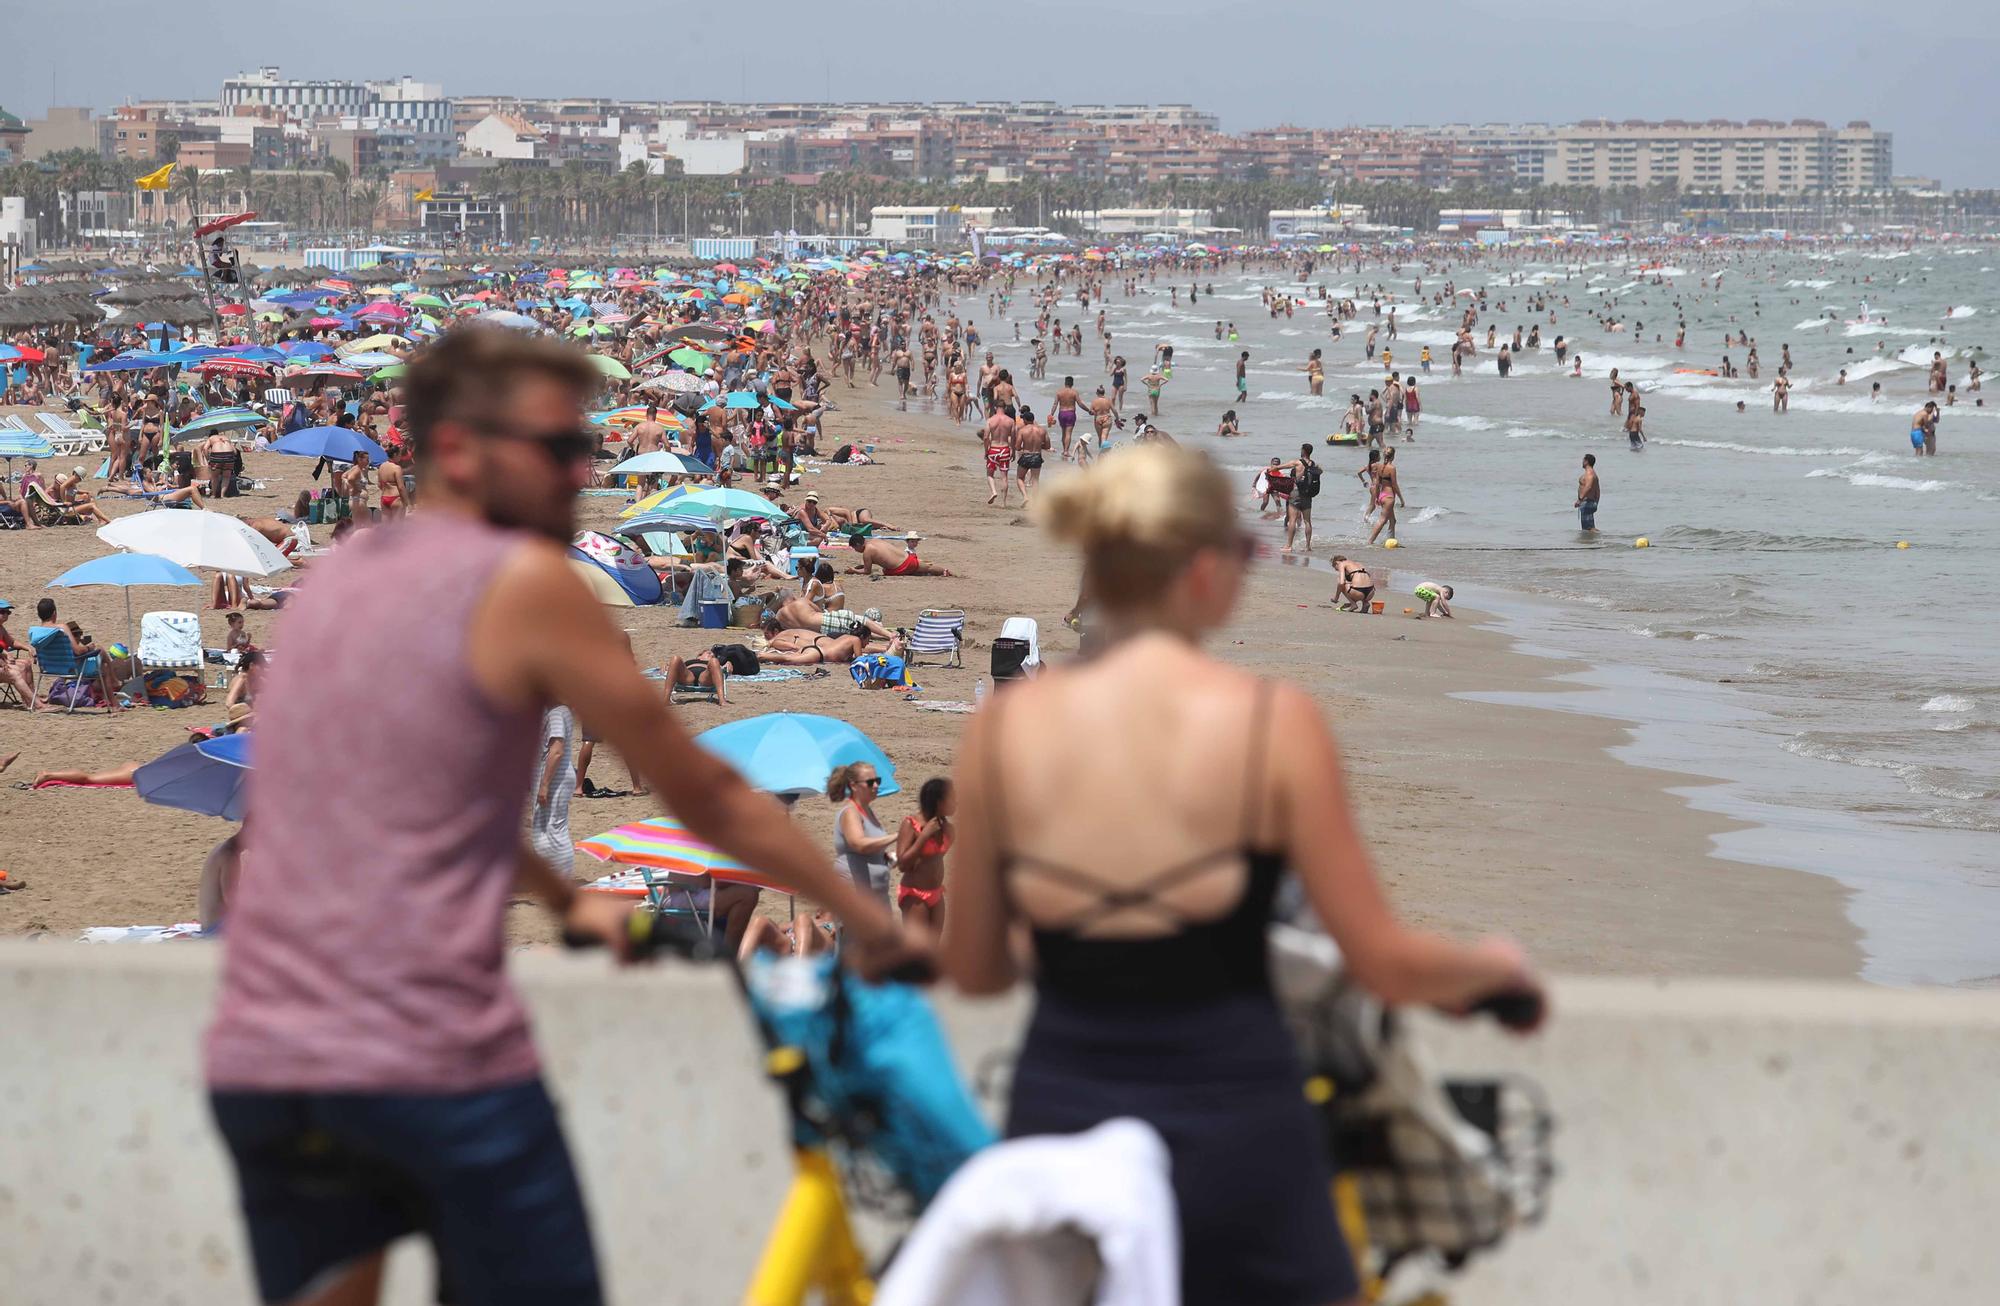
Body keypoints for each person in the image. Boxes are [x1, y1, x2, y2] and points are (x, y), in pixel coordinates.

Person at [202, 326, 913, 1306]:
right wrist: (869, 918)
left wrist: (558, 894)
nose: (581, 472)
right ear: (457, 448)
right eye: (555, 450)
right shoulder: (525, 581)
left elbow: (421, 788)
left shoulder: (343, 579)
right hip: (423, 1056)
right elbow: (701, 792)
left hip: (265, 1056)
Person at [939, 445, 1543, 1306]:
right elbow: (1380, 960)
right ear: (1201, 569)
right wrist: (1495, 970)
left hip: (1064, 1121)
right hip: (1236, 1133)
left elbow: (974, 968)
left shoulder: (1005, 731)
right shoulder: (1271, 725)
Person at [894, 777, 954, 932]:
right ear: (938, 801)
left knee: (933, 950)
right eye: (952, 798)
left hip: (937, 892)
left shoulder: (948, 828)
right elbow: (902, 864)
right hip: (915, 894)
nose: (956, 803)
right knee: (917, 950)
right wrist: (924, 836)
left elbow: (935, 859)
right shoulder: (910, 824)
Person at [830, 761, 897, 899]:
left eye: (877, 780)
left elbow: (868, 848)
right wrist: (897, 836)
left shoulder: (867, 811)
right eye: (870, 782)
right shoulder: (850, 812)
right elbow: (859, 844)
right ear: (854, 785)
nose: (876, 786)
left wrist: (883, 856)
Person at [529, 704, 577, 876]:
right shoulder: (557, 711)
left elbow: (557, 751)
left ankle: (563, 877)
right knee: (543, 826)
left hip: (556, 777)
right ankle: (552, 873)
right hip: (554, 775)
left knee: (555, 828)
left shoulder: (556, 713)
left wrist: (545, 784)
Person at [845, 530, 952, 577]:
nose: (855, 550)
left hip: (902, 566)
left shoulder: (867, 551)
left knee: (924, 568)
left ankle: (945, 572)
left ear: (859, 544)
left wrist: (854, 570)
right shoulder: (874, 541)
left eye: (855, 548)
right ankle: (945, 571)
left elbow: (867, 571)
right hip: (907, 558)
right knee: (927, 567)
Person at [1576, 453, 1601, 532]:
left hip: (1587, 502)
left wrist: (1580, 499)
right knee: (1589, 528)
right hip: (1590, 502)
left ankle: (1600, 539)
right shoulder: (1593, 473)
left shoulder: (1589, 473)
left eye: (1583, 460)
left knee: (1588, 529)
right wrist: (1596, 503)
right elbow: (1598, 490)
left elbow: (1588, 486)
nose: (1582, 462)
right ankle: (1594, 542)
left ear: (1586, 461)